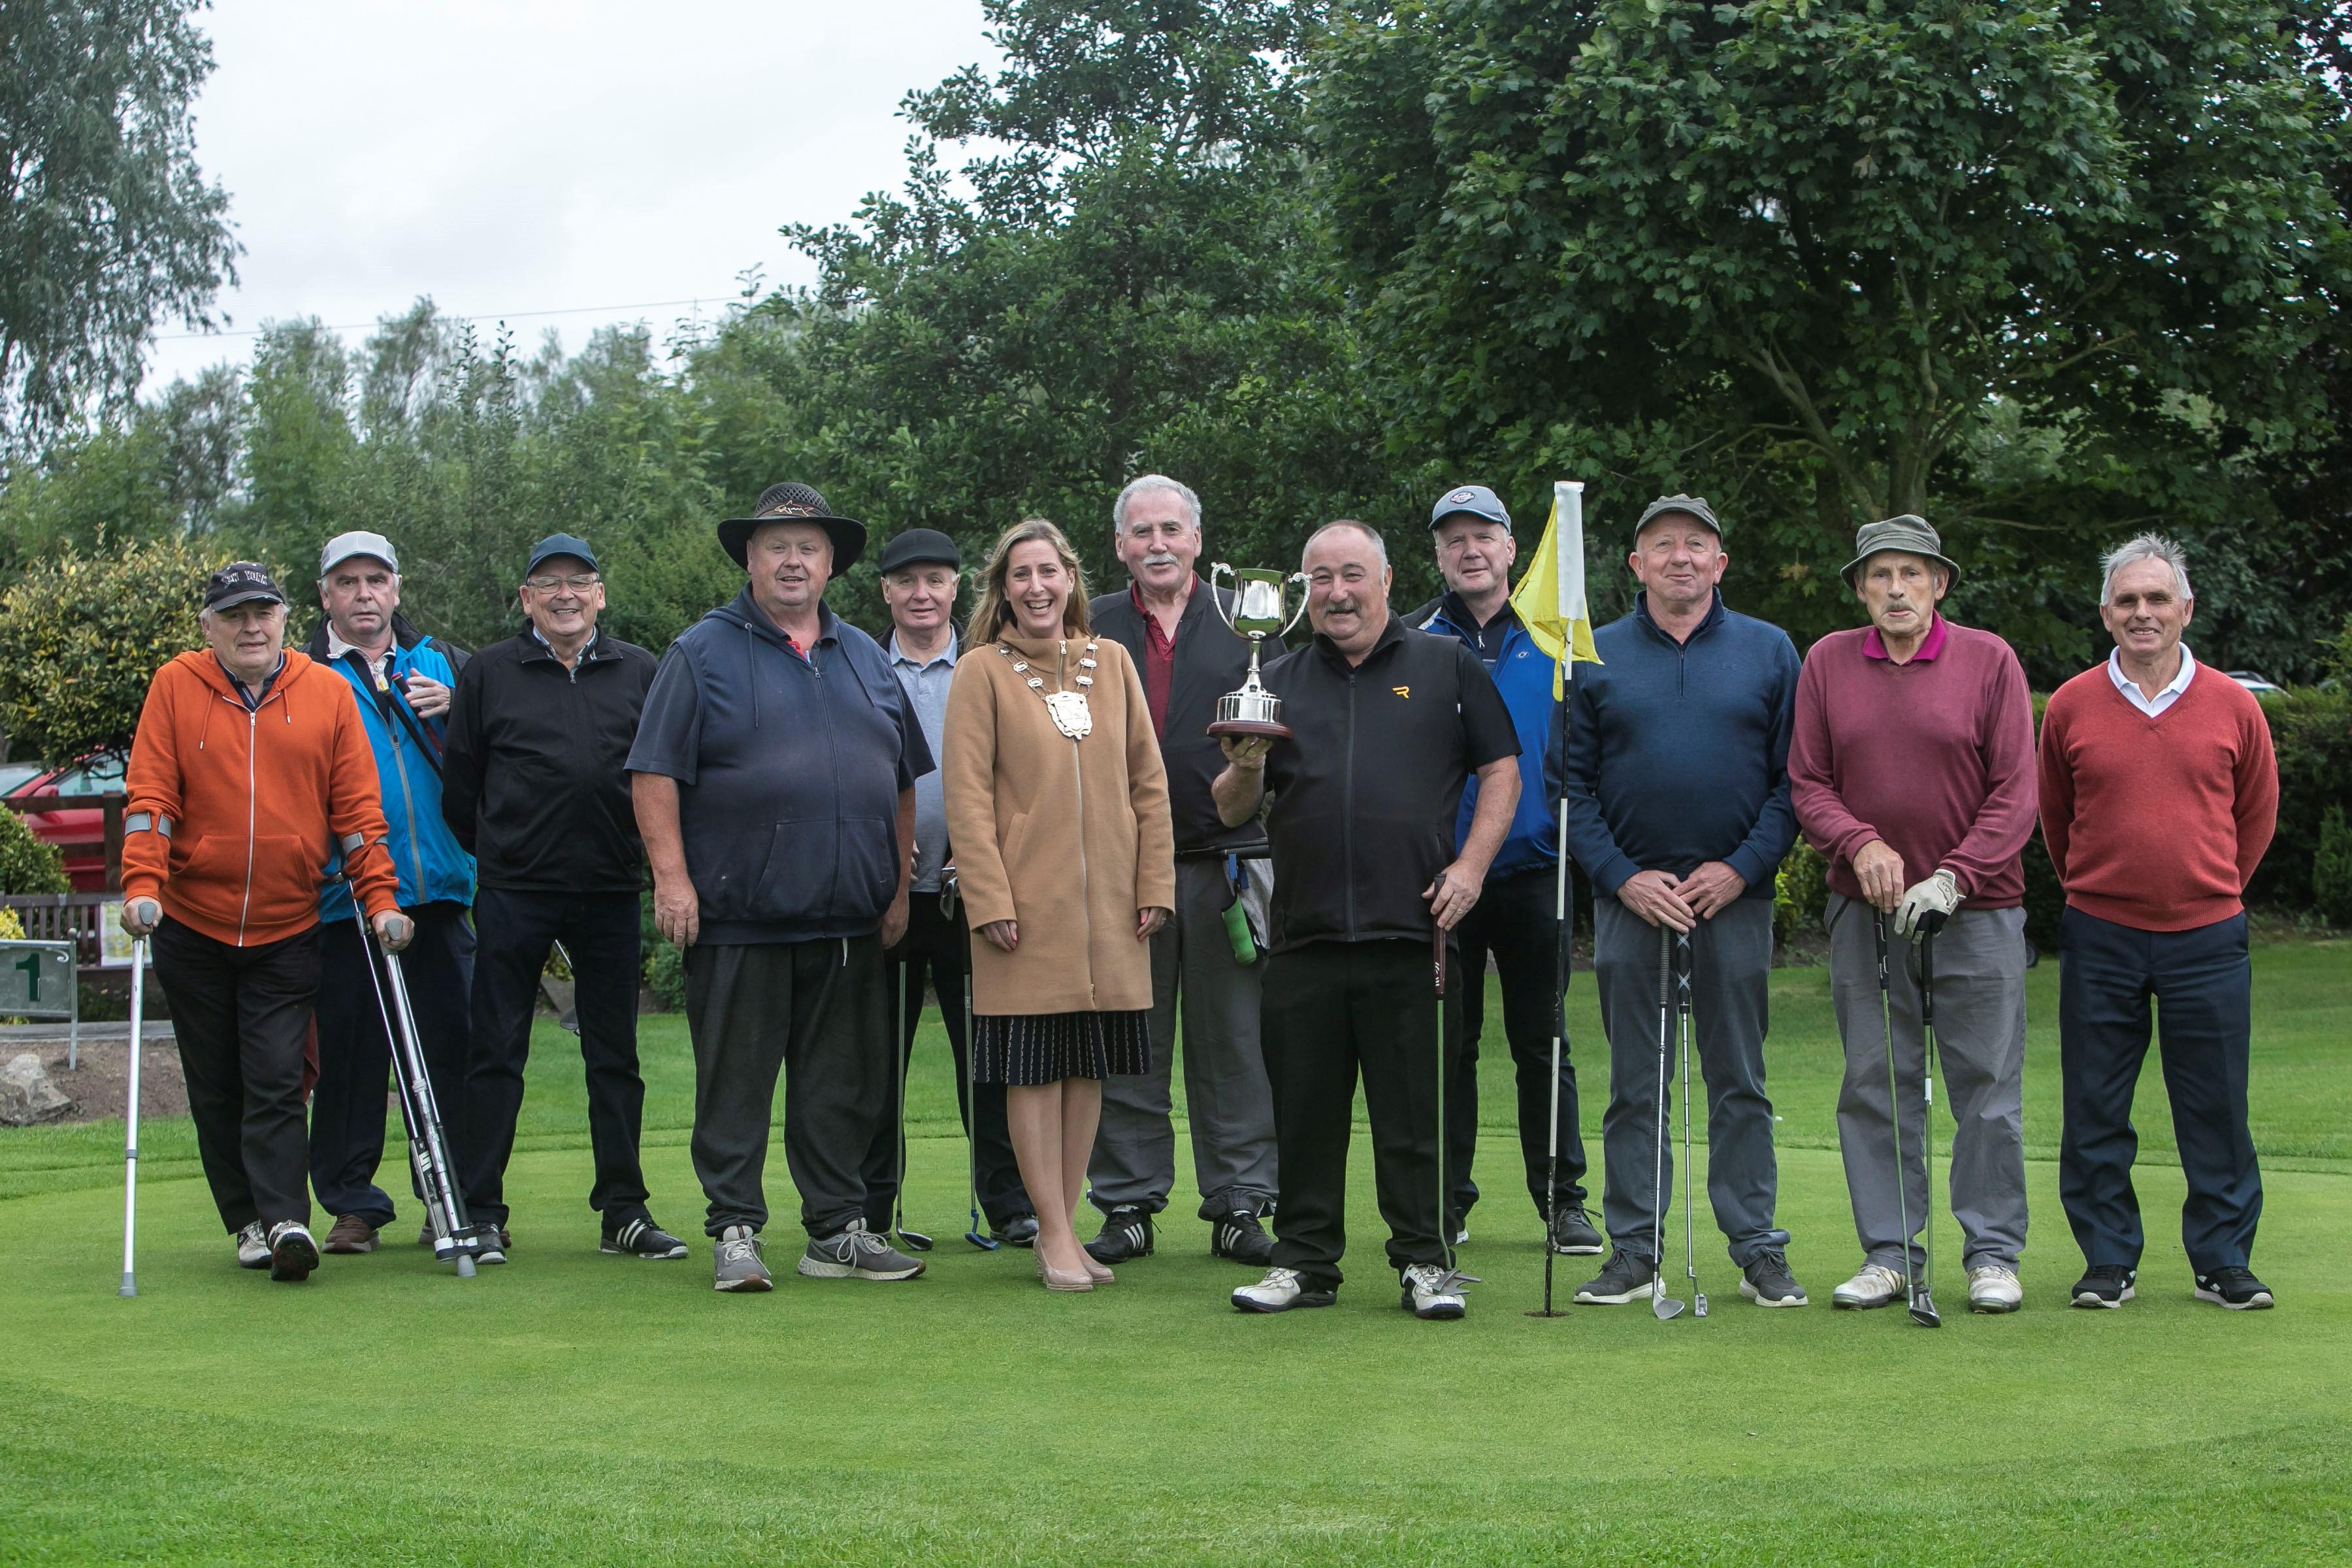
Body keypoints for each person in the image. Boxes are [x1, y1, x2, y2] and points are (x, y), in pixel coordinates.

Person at [628, 483, 932, 1292]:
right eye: (776, 546)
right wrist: (673, 881)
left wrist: (897, 888)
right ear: (750, 559)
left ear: (831, 563)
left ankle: (836, 1231)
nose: (793, 559)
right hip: (740, 917)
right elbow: (653, 773)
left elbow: (901, 782)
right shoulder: (700, 652)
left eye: (808, 546)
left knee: (841, 1087)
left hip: (847, 921)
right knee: (736, 1084)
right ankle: (734, 1229)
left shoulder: (867, 655)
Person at [1218, 519, 1522, 1320]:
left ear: (1386, 580)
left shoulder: (1446, 666)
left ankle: (1424, 1261)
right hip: (1305, 935)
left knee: (1413, 1116)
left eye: (1352, 575)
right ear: (1302, 593)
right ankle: (1305, 1263)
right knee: (1305, 1116)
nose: (1337, 593)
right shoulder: (1276, 678)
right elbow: (1231, 805)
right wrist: (1244, 763)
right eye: (1320, 579)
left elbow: (1502, 769)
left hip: (1412, 932)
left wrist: (1472, 867)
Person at [120, 562, 410, 1282]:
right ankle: (245, 1219)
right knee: (217, 1080)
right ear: (208, 627)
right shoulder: (175, 685)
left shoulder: (325, 692)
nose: (252, 627)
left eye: (263, 612)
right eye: (235, 615)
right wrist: (142, 883)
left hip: (286, 921)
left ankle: (286, 1221)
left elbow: (356, 815)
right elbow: (153, 792)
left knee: (278, 1075)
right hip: (192, 919)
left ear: (285, 617)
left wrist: (379, 900)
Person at [1561, 495, 1809, 1309]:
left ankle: (1757, 1248)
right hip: (1633, 900)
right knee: (1638, 1082)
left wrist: (1740, 870)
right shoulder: (1592, 654)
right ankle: (1634, 1249)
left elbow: (1794, 784)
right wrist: (1621, 878)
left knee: (1739, 1077)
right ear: (1635, 564)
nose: (1679, 558)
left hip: (1731, 898)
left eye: (1696, 545)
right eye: (1662, 545)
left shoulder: (1770, 651)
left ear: (1719, 562)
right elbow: (1572, 790)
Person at [1789, 516, 2036, 1315]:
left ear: (1939, 585)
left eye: (1913, 574)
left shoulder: (1989, 660)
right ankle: (1891, 1252)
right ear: (1861, 588)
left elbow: (2015, 794)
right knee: (1875, 1082)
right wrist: (1859, 845)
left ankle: (1991, 1254)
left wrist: (1955, 877)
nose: (1897, 589)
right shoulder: (1828, 661)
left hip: (1978, 911)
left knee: (1986, 1087)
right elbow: (1809, 783)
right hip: (1865, 915)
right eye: (1881, 575)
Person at [2040, 534, 2279, 1311]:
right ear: (2107, 612)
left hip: (2207, 936)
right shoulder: (2073, 704)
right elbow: (2056, 819)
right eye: (2128, 600)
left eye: (2157, 599)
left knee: (2214, 1105)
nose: (2143, 612)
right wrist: (2102, 887)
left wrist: (2209, 890)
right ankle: (2108, 1260)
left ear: (2186, 609)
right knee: (2096, 1107)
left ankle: (2221, 1260)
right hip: (2100, 931)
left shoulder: (2233, 704)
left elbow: (2256, 816)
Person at [942, 517, 1175, 1292]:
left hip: (1112, 914)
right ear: (1002, 589)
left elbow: (1150, 782)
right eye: (1021, 575)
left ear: (1071, 579)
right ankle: (1051, 1234)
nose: (1037, 587)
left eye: (1049, 572)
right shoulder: (980, 671)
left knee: (1088, 1073)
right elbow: (967, 800)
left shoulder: (1111, 663)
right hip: (1023, 915)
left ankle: (1067, 1230)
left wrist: (1155, 885)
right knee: (1035, 1075)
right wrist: (989, 898)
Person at [441, 533, 685, 1264]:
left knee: (615, 1056)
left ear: (600, 594)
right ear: (527, 600)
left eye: (578, 581)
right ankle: (482, 1210)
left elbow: (665, 776)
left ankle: (624, 1212)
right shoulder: (489, 672)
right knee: (495, 1054)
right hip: (516, 889)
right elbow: (462, 787)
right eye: (548, 584)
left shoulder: (641, 670)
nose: (564, 595)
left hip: (610, 889)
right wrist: (502, 853)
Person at [1083, 474, 1281, 1268]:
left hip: (1225, 861)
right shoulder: (1087, 625)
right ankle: (1127, 1202)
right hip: (1118, 869)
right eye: (1141, 532)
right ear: (1121, 545)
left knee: (1234, 1042)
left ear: (1198, 540)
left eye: (1172, 529)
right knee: (1128, 1036)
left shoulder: (1248, 619)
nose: (1157, 544)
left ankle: (1239, 1201)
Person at [1411, 483, 1599, 1256]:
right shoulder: (1414, 642)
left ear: (1511, 548)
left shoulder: (1558, 637)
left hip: (1534, 872)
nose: (1470, 550)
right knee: (1447, 1046)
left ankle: (1562, 1202)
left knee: (1542, 1046)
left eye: (1483, 535)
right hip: (1444, 879)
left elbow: (1585, 757)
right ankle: (1447, 1203)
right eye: (1453, 539)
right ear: (1439, 555)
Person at [301, 531, 479, 1257]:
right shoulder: (301, 676)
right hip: (344, 899)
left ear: (397, 589)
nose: (364, 594)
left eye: (376, 579)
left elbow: (499, 759)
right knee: (350, 1057)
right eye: (348, 582)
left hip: (438, 890)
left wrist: (461, 713)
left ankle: (448, 1194)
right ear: (325, 597)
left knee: (450, 1052)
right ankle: (353, 1205)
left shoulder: (447, 664)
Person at [858, 527, 1037, 1245]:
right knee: (875, 1062)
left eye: (935, 579)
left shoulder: (992, 664)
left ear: (957, 587)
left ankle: (1009, 1203)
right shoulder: (860, 666)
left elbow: (1019, 774)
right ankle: (872, 1206)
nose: (921, 594)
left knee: (989, 1063)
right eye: (906, 581)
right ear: (886, 592)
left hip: (975, 891)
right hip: (887, 892)